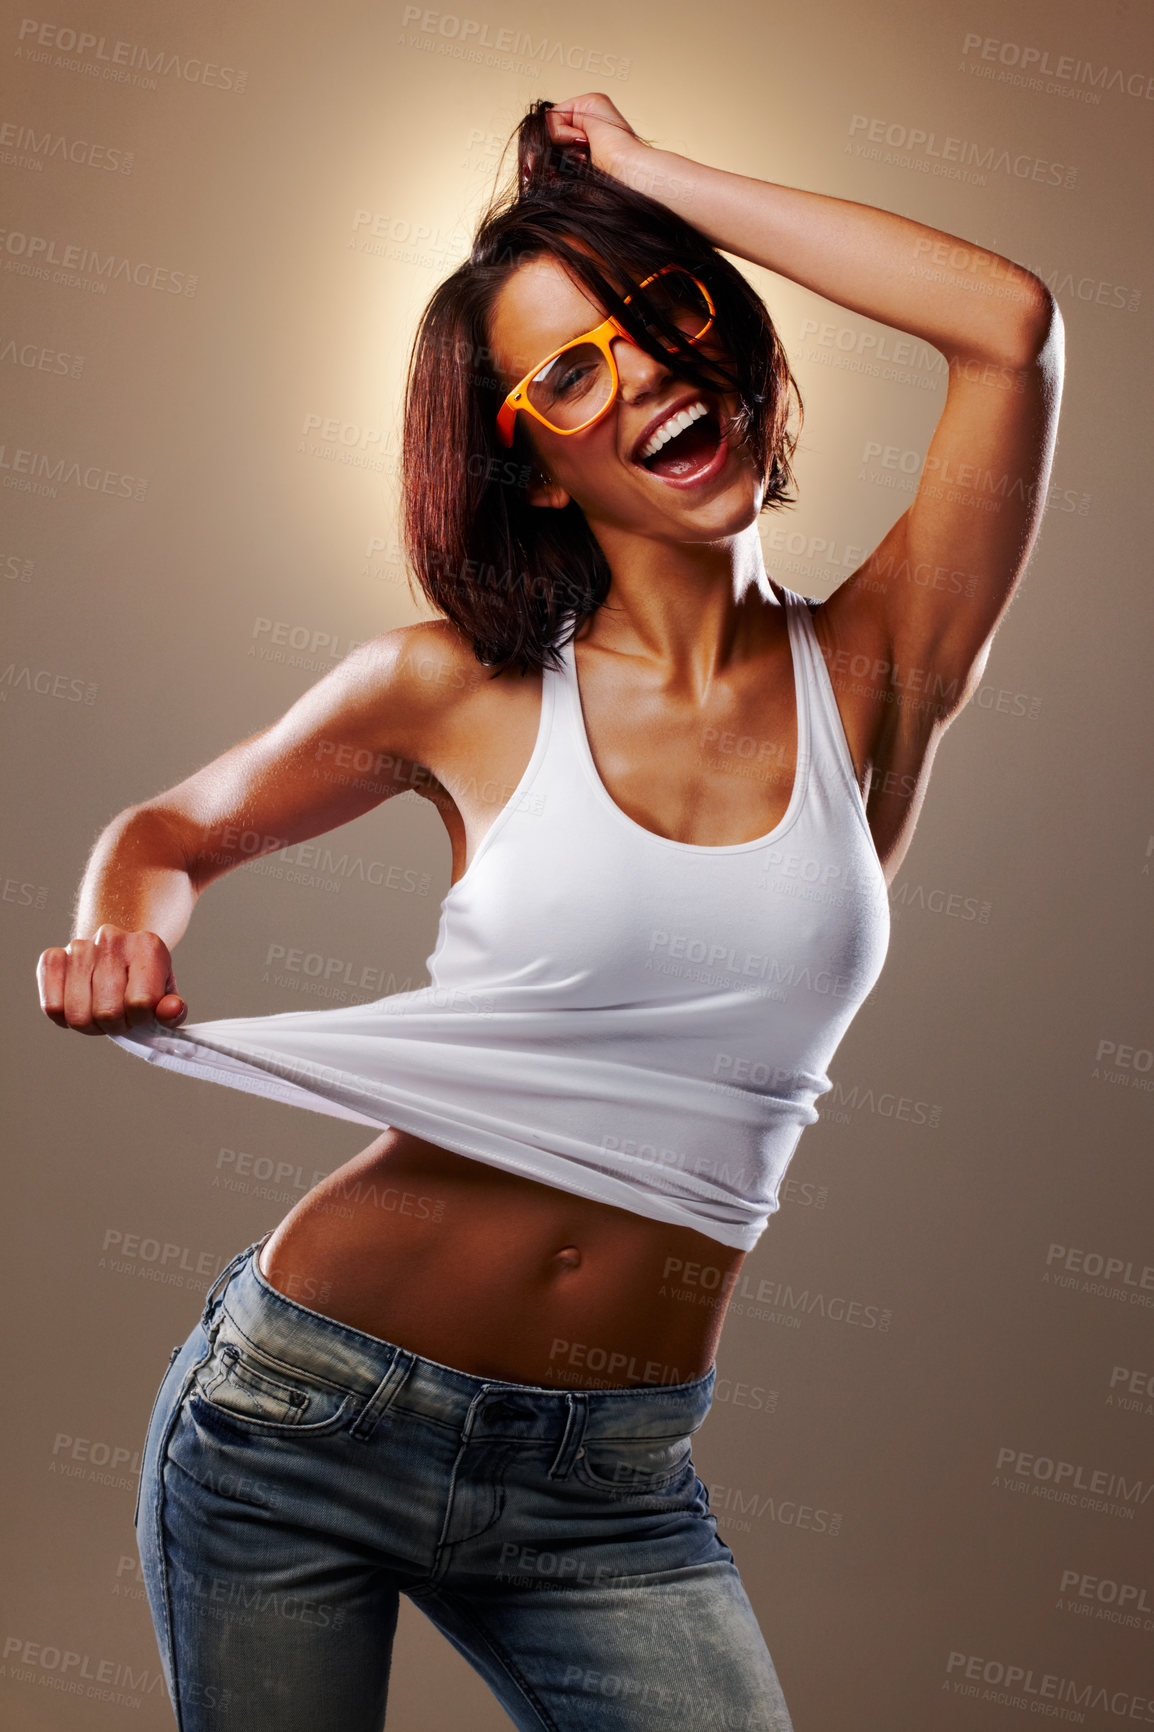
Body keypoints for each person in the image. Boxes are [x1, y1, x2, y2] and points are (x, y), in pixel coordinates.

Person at [36, 94, 1062, 1732]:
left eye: (662, 320)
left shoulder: (877, 678)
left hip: (609, 1480)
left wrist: (643, 186)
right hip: (302, 1411)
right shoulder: (453, 689)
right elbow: (169, 831)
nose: (643, 373)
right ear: (525, 452)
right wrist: (123, 926)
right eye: (569, 367)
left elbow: (1007, 329)